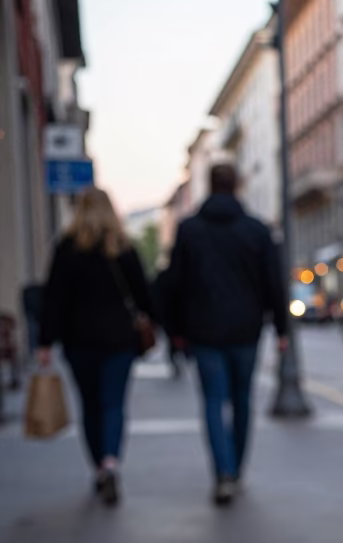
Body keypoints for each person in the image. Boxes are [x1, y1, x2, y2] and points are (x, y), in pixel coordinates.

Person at [165, 164, 289, 506]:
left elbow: (174, 284)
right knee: (242, 399)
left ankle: (222, 471)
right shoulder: (257, 230)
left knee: (212, 401)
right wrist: (281, 329)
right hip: (246, 330)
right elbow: (274, 283)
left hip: (203, 330)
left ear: (208, 185)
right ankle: (236, 468)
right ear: (237, 186)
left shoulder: (189, 230)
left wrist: (174, 332)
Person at [36, 187, 154, 506]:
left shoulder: (66, 248)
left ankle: (99, 468)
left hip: (79, 341)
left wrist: (45, 341)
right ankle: (112, 461)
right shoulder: (123, 248)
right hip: (119, 339)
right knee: (114, 403)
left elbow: (54, 299)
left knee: (90, 406)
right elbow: (144, 296)